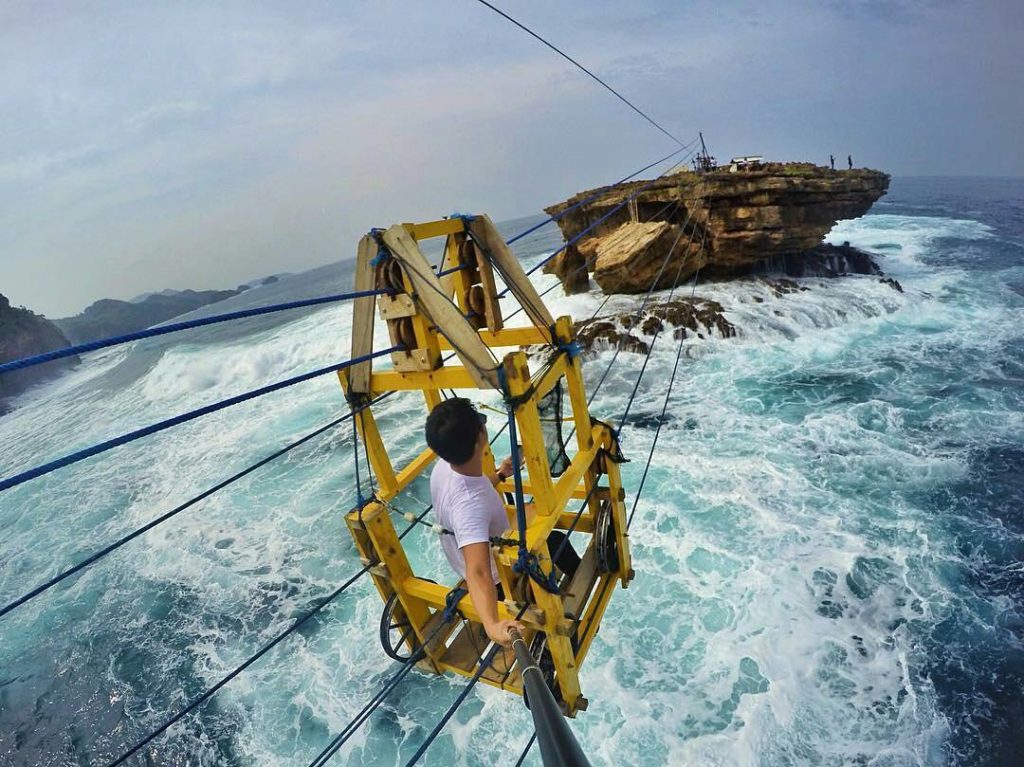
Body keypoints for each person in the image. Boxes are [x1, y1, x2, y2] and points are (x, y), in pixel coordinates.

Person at [425, 397, 579, 648]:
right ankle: (577, 590)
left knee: (531, 513)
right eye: (482, 421)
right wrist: (492, 624)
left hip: (469, 552)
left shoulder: (445, 466)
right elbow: (478, 571)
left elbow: (473, 486)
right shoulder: (470, 506)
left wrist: (500, 474)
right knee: (555, 540)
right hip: (499, 579)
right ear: (480, 437)